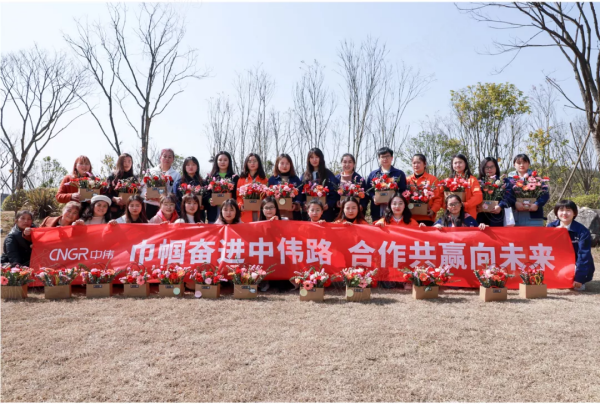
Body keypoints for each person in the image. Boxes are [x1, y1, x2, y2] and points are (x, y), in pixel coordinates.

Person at [547, 200, 595, 291]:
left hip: (575, 264)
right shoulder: (551, 227)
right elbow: (544, 248)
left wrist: (579, 278)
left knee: (577, 287)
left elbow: (583, 255)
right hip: (557, 263)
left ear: (574, 213)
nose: (564, 213)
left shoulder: (582, 231)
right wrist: (554, 234)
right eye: (561, 210)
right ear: (556, 212)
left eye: (568, 210)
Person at [506, 153, 549, 227]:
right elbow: (506, 195)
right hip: (514, 218)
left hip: (534, 218)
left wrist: (537, 204)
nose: (521, 165)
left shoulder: (536, 179)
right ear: (514, 165)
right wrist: (514, 203)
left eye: (524, 162)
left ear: (528, 163)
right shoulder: (509, 180)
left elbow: (545, 194)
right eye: (519, 163)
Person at [367, 147, 408, 224]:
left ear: (392, 158)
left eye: (387, 156)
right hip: (377, 210)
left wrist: (394, 199)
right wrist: (373, 197)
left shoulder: (399, 174)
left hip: (395, 211)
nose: (385, 159)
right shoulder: (373, 174)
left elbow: (403, 190)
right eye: (382, 157)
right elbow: (368, 191)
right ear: (379, 159)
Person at [301, 147, 340, 222]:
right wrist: (303, 203)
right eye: (312, 157)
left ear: (321, 158)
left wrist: (329, 204)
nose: (314, 160)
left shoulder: (328, 174)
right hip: (309, 213)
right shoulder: (304, 175)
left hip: (325, 212)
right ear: (308, 159)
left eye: (317, 157)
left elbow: (334, 192)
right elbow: (300, 192)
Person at [142, 148, 181, 220]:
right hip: (150, 204)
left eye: (170, 157)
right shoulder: (151, 171)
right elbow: (144, 187)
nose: (167, 159)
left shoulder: (176, 175)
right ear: (160, 157)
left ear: (173, 159)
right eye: (164, 156)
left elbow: (175, 192)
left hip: (166, 207)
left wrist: (162, 197)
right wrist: (146, 194)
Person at [442, 154, 483, 220]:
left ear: (465, 164)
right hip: (451, 216)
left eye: (460, 162)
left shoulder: (472, 179)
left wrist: (465, 205)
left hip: (468, 215)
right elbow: (441, 197)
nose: (458, 165)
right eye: (455, 163)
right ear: (452, 165)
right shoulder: (447, 181)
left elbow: (478, 196)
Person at [405, 154, 442, 226]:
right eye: (414, 163)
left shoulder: (432, 179)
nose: (416, 165)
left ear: (425, 164)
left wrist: (433, 210)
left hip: (427, 217)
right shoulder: (407, 180)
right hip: (410, 217)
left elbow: (438, 198)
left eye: (418, 162)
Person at [476, 157, 511, 227]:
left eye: (492, 167)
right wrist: (477, 206)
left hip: (497, 215)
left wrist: (500, 206)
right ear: (482, 168)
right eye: (487, 167)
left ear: (496, 167)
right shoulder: (478, 182)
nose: (489, 169)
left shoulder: (503, 181)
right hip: (481, 215)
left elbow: (508, 195)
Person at [267, 153, 303, 220]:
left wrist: (295, 205)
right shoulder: (272, 179)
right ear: (277, 164)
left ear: (290, 165)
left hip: (293, 214)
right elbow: (268, 197)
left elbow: (300, 196)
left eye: (287, 163)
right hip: (276, 214)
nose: (284, 166)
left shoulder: (295, 179)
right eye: (282, 163)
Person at [206, 151, 238, 224]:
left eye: (225, 160)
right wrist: (209, 200)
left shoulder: (234, 178)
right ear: (216, 162)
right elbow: (206, 194)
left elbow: (236, 194)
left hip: (230, 213)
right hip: (214, 211)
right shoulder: (210, 177)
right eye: (220, 160)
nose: (222, 162)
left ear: (229, 162)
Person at [236, 153, 269, 223]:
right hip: (246, 212)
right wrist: (240, 205)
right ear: (246, 163)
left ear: (259, 163)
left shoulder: (264, 179)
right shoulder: (241, 179)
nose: (252, 163)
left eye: (255, 161)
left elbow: (267, 196)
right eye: (249, 161)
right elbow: (238, 196)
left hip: (260, 212)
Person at [172, 156, 206, 221]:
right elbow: (176, 199)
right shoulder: (179, 183)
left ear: (197, 167)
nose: (191, 167)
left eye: (193, 164)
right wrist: (183, 209)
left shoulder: (202, 183)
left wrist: (204, 205)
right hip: (183, 216)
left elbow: (206, 197)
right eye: (188, 165)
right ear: (184, 167)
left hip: (199, 215)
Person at [106, 153, 137, 220]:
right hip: (114, 212)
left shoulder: (135, 178)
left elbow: (138, 194)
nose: (127, 164)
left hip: (131, 212)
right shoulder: (112, 177)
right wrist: (114, 199)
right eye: (124, 161)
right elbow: (105, 194)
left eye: (129, 161)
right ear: (119, 163)